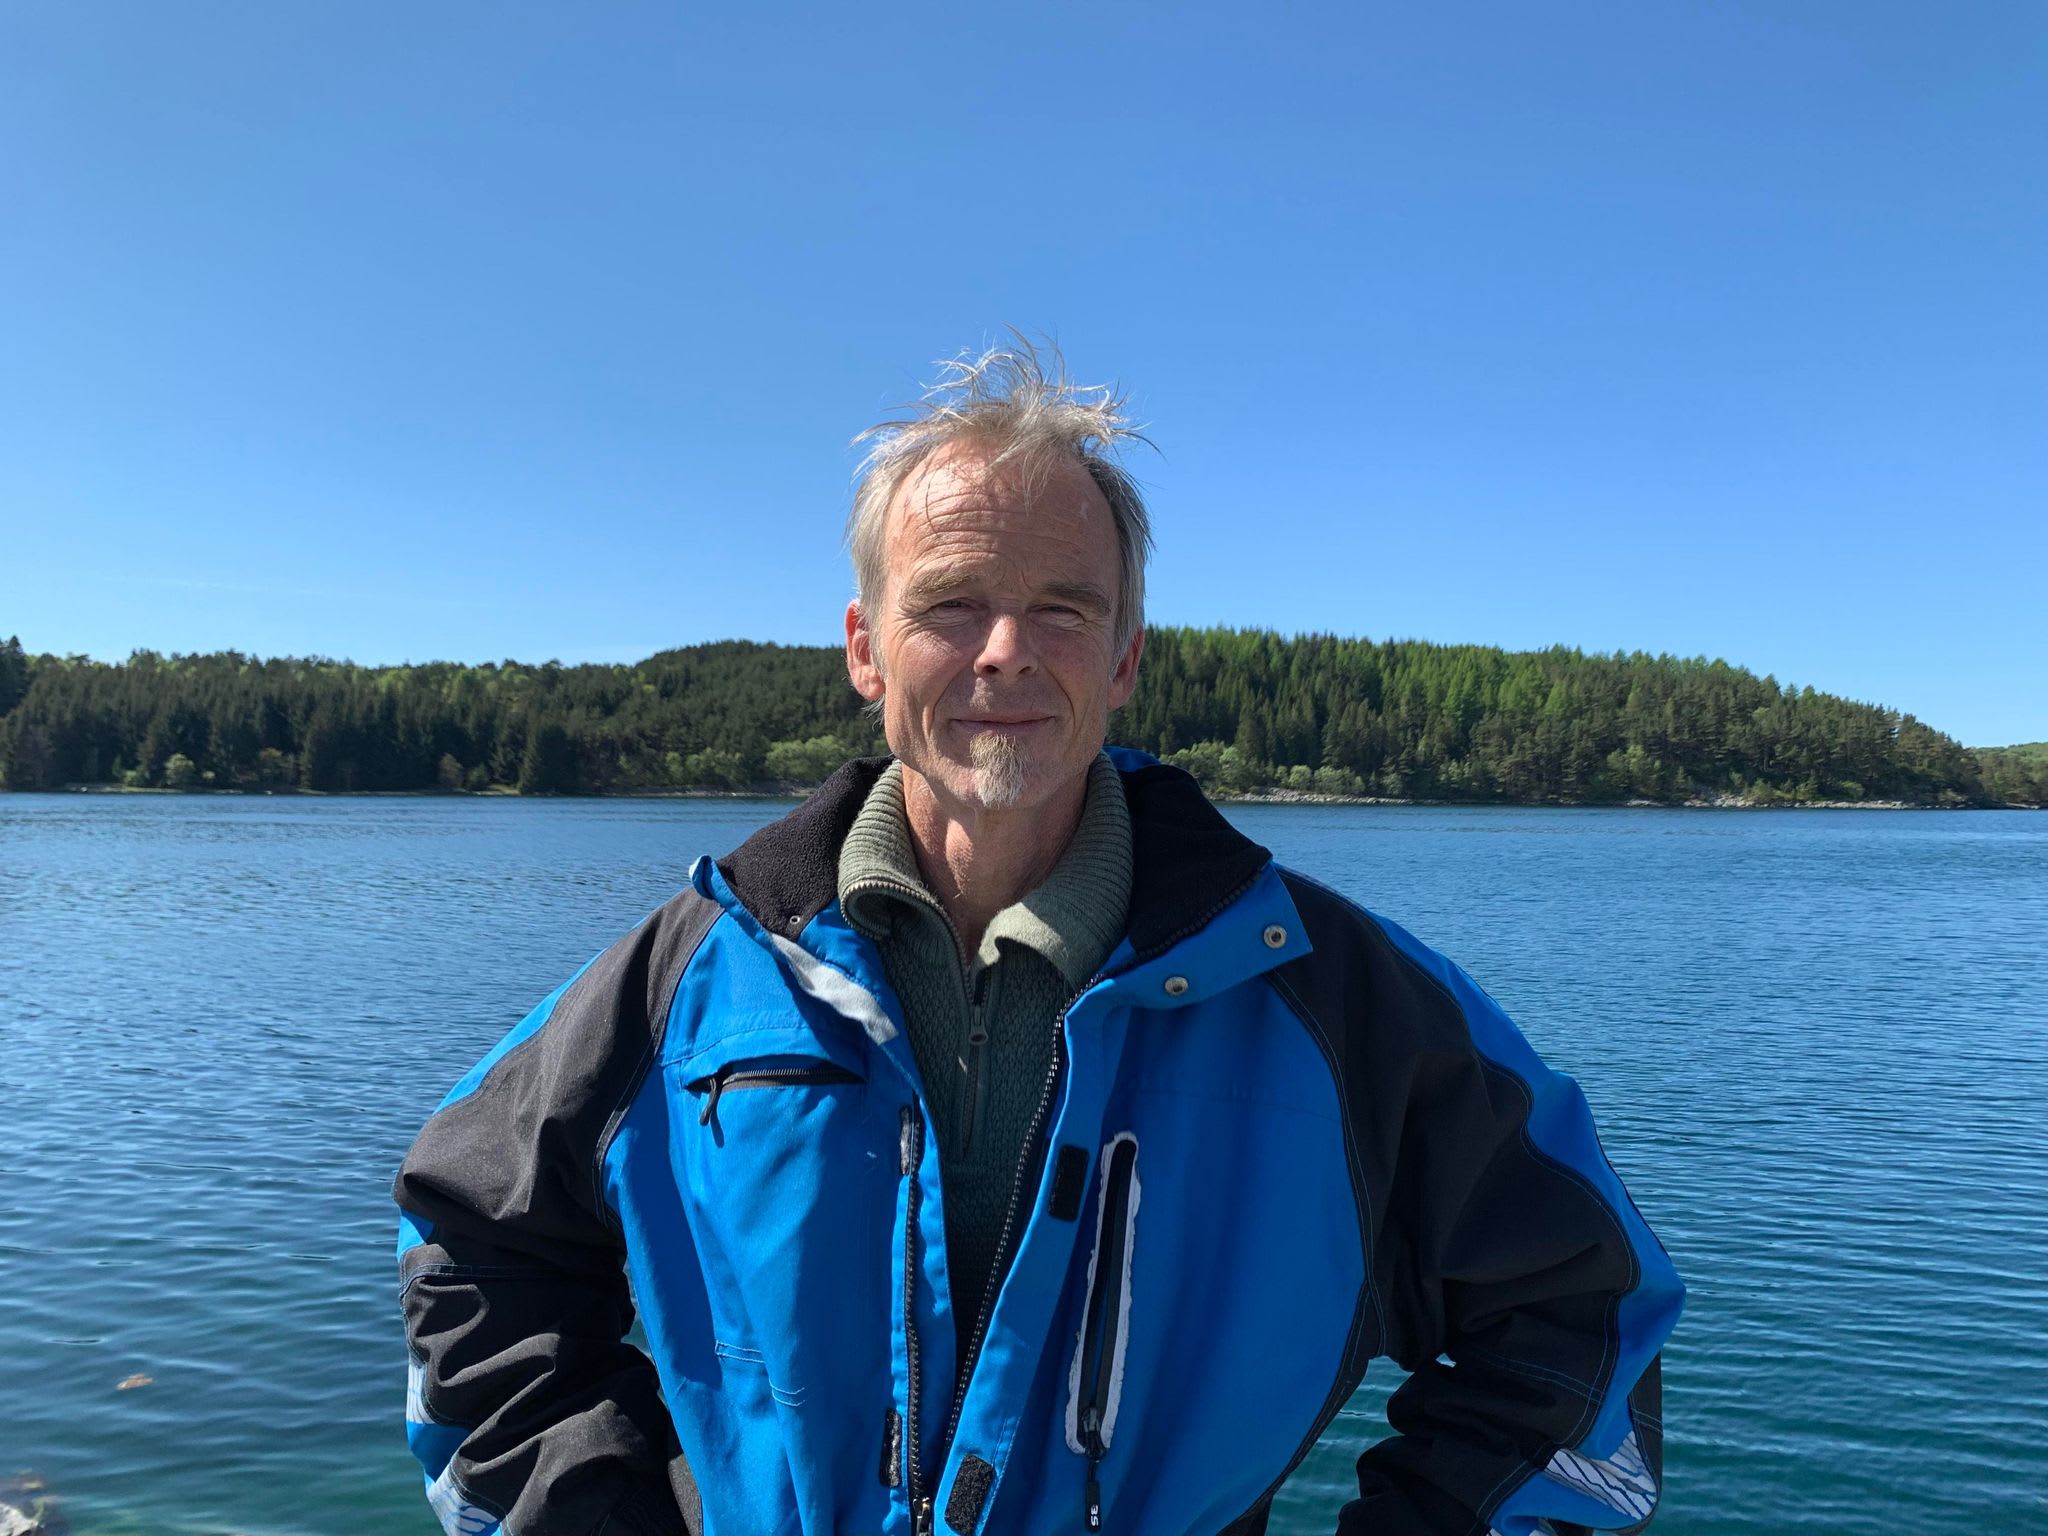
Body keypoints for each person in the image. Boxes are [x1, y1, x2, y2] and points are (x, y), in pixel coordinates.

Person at [394, 341, 1683, 1536]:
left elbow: (1581, 1315)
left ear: (1124, 658)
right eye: (951, 604)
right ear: (865, 649)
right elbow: (472, 1243)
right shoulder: (697, 974)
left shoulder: (1334, 1001)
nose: (1006, 654)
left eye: (1064, 609)